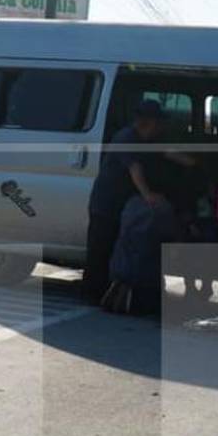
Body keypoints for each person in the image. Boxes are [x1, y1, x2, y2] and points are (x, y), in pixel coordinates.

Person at [83, 100, 170, 304]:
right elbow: (135, 168)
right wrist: (148, 195)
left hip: (120, 204)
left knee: (113, 248)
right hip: (106, 204)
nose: (159, 129)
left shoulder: (142, 139)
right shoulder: (127, 138)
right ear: (147, 123)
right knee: (99, 249)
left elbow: (162, 153)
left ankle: (105, 292)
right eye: (157, 124)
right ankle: (92, 294)